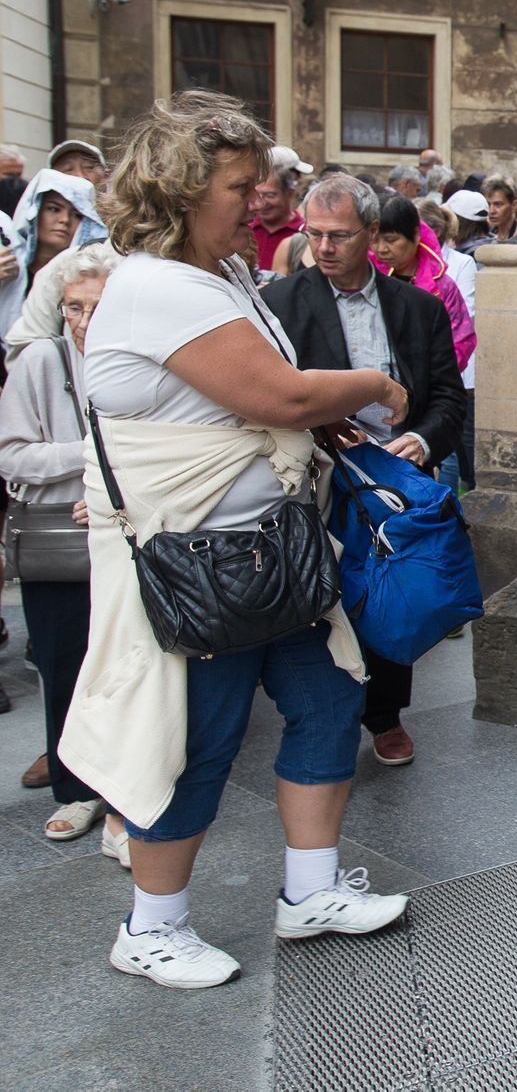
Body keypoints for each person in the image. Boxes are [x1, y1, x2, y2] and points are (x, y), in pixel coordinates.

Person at [67, 90, 412, 991]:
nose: (258, 200)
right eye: (237, 184)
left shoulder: (215, 277)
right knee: (196, 742)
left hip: (266, 554)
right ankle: (151, 929)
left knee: (330, 703)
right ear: (180, 191)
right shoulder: (155, 288)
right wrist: (373, 381)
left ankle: (312, 892)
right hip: (199, 564)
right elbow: (282, 399)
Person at [264, 175, 467, 768]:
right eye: (314, 234)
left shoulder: (418, 307)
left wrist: (421, 441)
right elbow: (269, 398)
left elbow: (451, 400)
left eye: (339, 236)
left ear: (373, 235)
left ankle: (385, 715)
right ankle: (321, 718)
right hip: (315, 476)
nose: (323, 247)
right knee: (321, 594)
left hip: (393, 482)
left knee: (390, 596)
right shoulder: (281, 304)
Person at [0, 245, 127, 861]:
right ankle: (75, 788)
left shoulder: (134, 360)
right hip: (59, 541)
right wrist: (89, 461)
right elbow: (12, 455)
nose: (81, 320)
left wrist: (109, 480)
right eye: (72, 308)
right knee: (61, 659)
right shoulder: (38, 363)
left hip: (124, 531)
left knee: (129, 661)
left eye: (95, 307)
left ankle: (126, 786)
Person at [372, 196, 475, 379]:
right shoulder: (367, 282)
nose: (381, 249)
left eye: (391, 240)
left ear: (416, 234)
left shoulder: (442, 287)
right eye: (374, 240)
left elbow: (461, 341)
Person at [2, 168, 107, 334]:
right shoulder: (6, 263)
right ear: (34, 211)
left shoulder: (91, 276)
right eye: (54, 209)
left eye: (77, 215)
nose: (64, 220)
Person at [423, 192, 481, 490]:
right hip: (423, 364)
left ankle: (456, 497)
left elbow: (464, 314)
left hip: (453, 360)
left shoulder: (459, 263)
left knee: (456, 439)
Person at [246, 147, 311, 275]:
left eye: (270, 195)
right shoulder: (246, 230)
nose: (262, 203)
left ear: (290, 193)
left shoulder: (303, 234)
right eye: (258, 195)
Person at [477, 174, 517, 248]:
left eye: (498, 204)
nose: (491, 211)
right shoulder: (486, 234)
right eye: (488, 204)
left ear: (513, 205)